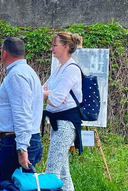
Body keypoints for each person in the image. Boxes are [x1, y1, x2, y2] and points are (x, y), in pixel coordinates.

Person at [0, 37, 43, 190]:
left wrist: (22, 149)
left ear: (4, 53)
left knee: (9, 186)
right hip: (22, 139)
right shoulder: (27, 71)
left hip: (16, 141)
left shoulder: (16, 75)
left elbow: (22, 114)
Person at [42, 33, 83, 191]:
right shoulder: (60, 68)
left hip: (66, 125)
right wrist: (48, 94)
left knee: (52, 172)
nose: (51, 49)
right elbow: (44, 91)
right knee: (64, 174)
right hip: (58, 124)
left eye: (55, 45)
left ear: (66, 47)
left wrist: (47, 94)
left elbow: (56, 99)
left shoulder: (71, 70)